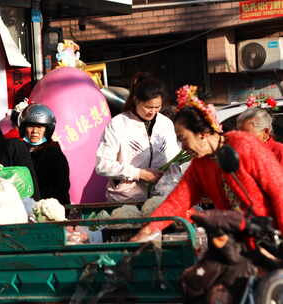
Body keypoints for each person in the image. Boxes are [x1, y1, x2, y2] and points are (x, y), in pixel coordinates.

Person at [131, 85, 283, 304]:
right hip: (236, 247)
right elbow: (177, 201)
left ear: (202, 134)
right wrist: (147, 230)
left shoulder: (244, 145)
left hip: (268, 243)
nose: (182, 146)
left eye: (183, 138)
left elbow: (278, 190)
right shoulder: (201, 165)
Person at [95, 73, 180, 202]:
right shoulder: (118, 124)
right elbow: (102, 165)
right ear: (136, 100)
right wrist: (139, 174)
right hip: (125, 199)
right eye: (148, 107)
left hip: (160, 197)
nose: (152, 112)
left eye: (157, 107)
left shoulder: (166, 124)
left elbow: (174, 160)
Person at [18, 104, 70, 205]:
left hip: (49, 210)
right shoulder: (18, 151)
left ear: (48, 130)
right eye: (31, 126)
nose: (35, 131)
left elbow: (60, 189)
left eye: (39, 127)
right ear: (23, 128)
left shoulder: (54, 155)